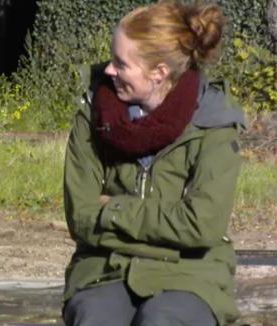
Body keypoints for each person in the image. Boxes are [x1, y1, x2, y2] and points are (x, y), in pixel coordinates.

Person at [62, 1, 245, 326]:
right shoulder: (93, 116)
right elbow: (82, 217)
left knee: (163, 320)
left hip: (191, 273)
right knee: (95, 319)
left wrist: (114, 209)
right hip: (105, 268)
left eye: (121, 63)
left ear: (159, 73)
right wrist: (169, 225)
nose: (109, 70)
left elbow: (202, 225)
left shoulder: (213, 122)